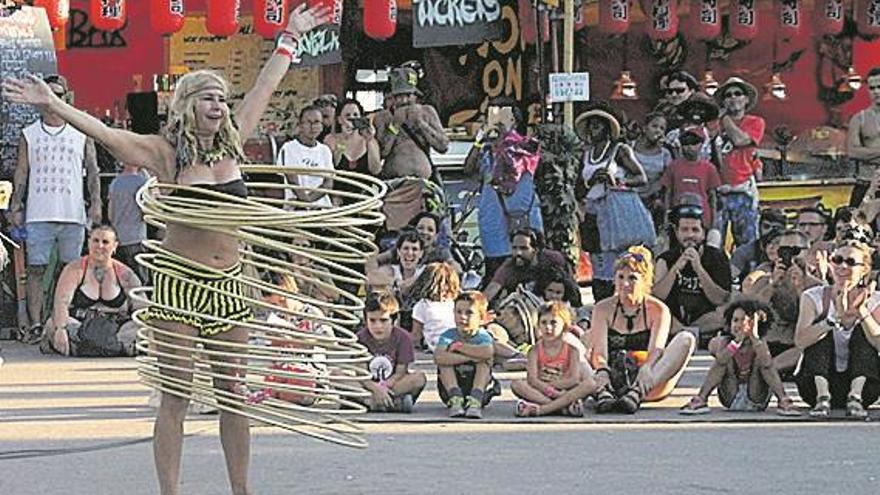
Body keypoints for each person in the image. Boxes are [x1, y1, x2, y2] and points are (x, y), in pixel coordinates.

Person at [2, 5, 331, 494]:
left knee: (234, 397)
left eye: (222, 98)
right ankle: (170, 491)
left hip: (231, 285)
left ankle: (242, 489)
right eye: (208, 99)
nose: (219, 106)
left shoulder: (234, 143)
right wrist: (55, 104)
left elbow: (265, 85)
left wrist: (291, 35)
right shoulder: (165, 153)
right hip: (181, 284)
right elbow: (107, 133)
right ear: (187, 105)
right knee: (176, 397)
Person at [6, 74, 101, 344]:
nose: (53, 99)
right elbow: (21, 172)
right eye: (49, 93)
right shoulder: (29, 134)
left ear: (66, 97)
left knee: (69, 269)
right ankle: (36, 324)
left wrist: (96, 203)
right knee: (35, 269)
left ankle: (60, 321)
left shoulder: (81, 131)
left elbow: (93, 171)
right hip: (39, 212)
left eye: (59, 94)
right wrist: (16, 206)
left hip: (72, 212)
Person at [590, 246, 696, 413]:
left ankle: (635, 395)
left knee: (686, 339)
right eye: (620, 277)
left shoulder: (658, 310)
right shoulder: (602, 308)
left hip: (649, 380)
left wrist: (647, 368)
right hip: (612, 378)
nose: (625, 284)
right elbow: (599, 352)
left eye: (632, 278)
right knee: (577, 339)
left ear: (645, 281)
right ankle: (603, 394)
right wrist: (602, 370)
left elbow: (657, 349)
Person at [794, 237, 880, 418]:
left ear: (864, 270)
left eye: (850, 262)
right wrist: (834, 319)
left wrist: (861, 312)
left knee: (860, 333)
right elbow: (800, 341)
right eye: (837, 260)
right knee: (822, 331)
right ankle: (822, 397)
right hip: (814, 384)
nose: (842, 267)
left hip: (866, 387)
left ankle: (855, 397)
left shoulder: (875, 300)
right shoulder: (813, 296)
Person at [463, 97, 542, 281]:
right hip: (492, 217)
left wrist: (505, 137)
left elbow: (521, 162)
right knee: (496, 270)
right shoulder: (486, 149)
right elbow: (468, 168)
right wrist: (479, 140)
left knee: (523, 270)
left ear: (513, 119)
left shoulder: (524, 145)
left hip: (519, 221)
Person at [679, 299, 800, 415]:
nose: (739, 324)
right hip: (731, 395)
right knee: (724, 359)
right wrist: (736, 343)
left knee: (761, 361)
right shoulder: (726, 342)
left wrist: (754, 337)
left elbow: (767, 363)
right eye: (735, 320)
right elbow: (720, 361)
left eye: (744, 320)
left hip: (756, 395)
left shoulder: (759, 343)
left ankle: (783, 399)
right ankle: (701, 399)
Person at [575, 106, 648, 301]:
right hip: (593, 214)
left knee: (619, 263)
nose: (592, 130)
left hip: (616, 213)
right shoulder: (586, 154)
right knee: (598, 266)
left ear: (607, 129)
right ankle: (601, 305)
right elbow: (578, 189)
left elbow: (641, 178)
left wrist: (617, 182)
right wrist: (592, 181)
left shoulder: (620, 151)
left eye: (597, 126)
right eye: (590, 127)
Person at [41, 225, 142, 356]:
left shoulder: (125, 274)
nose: (99, 246)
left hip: (117, 328)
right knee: (52, 324)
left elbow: (141, 307)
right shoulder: (74, 269)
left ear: (115, 246)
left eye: (105, 242)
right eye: (95, 241)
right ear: (88, 243)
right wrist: (60, 329)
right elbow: (61, 303)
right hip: (80, 326)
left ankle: (115, 347)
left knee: (143, 329)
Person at [741, 229, 823, 375]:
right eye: (784, 251)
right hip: (768, 343)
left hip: (796, 346)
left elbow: (816, 325)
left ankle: (769, 370)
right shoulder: (764, 281)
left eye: (795, 251)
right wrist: (772, 286)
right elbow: (749, 313)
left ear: (807, 252)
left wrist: (800, 290)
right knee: (719, 344)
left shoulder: (817, 286)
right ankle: (767, 369)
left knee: (813, 349)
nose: (790, 257)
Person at [654, 204, 732, 337]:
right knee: (655, 311)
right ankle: (686, 333)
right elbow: (657, 296)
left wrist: (699, 269)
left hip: (706, 320)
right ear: (677, 232)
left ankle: (687, 333)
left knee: (725, 313)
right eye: (684, 230)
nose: (690, 235)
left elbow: (720, 299)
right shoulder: (665, 259)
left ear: (703, 234)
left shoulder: (717, 257)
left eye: (695, 230)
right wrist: (675, 268)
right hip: (674, 319)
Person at [511, 301, 598, 417]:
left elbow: (574, 379)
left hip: (565, 390)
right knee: (517, 384)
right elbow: (532, 380)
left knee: (590, 384)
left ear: (565, 326)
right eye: (543, 323)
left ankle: (542, 410)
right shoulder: (535, 351)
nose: (548, 327)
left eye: (553, 323)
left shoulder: (572, 350)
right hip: (543, 391)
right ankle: (563, 407)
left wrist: (555, 388)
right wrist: (552, 392)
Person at [713, 77, 766, 250]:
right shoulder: (713, 125)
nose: (733, 97)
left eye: (738, 93)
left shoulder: (755, 122)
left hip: (743, 192)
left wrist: (724, 118)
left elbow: (740, 139)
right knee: (714, 244)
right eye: (728, 95)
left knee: (748, 245)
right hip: (717, 192)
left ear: (747, 99)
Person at [373, 66, 448, 180]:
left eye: (408, 95)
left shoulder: (427, 111)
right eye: (399, 96)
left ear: (415, 95)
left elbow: (443, 147)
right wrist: (395, 126)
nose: (404, 101)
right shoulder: (382, 117)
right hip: (395, 180)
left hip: (424, 181)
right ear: (393, 97)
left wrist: (422, 124)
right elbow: (382, 153)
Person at [357, 291, 427, 413]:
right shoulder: (361, 337)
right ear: (365, 320)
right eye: (372, 320)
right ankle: (381, 402)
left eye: (383, 320)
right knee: (336, 375)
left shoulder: (403, 338)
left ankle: (371, 403)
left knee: (419, 378)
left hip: (393, 385)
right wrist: (375, 389)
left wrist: (383, 388)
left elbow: (400, 372)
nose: (378, 326)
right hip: (367, 386)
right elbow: (361, 375)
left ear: (394, 320)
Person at [434, 290, 500, 418]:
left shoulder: (482, 336)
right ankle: (456, 400)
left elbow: (487, 352)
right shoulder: (448, 335)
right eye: (458, 312)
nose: (462, 317)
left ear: (481, 318)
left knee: (484, 363)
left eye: (469, 313)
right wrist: (471, 357)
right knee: (444, 363)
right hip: (450, 389)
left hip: (478, 389)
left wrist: (459, 347)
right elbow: (439, 357)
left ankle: (475, 401)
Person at [482, 228, 577, 306]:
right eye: (514, 248)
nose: (518, 253)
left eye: (524, 248)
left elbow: (571, 289)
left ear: (536, 249)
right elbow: (492, 288)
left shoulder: (554, 259)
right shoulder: (510, 265)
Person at [659, 126, 721, 232]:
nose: (690, 147)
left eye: (694, 143)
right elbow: (667, 194)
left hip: (702, 219)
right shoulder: (674, 166)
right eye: (686, 144)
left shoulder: (709, 168)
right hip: (677, 217)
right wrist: (666, 218)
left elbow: (713, 197)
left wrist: (713, 222)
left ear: (701, 145)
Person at [276, 105, 335, 208]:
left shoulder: (325, 150)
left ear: (321, 126)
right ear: (300, 125)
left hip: (321, 209)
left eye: (316, 122)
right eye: (308, 122)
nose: (312, 127)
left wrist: (310, 201)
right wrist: (305, 202)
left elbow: (328, 183)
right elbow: (292, 180)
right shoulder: (289, 148)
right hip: (296, 209)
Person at [323, 98, 382, 200]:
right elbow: (332, 167)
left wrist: (369, 140)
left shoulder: (370, 141)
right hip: (338, 197)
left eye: (355, 115)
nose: (351, 119)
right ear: (339, 119)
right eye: (347, 116)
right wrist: (342, 141)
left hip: (364, 196)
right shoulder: (331, 139)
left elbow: (376, 170)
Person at [632, 112, 672, 233]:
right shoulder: (629, 148)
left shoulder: (665, 154)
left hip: (653, 204)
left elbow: (668, 185)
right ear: (644, 128)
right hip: (631, 202)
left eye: (662, 128)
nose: (658, 131)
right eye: (654, 126)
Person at [108, 163, 148, 282]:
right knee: (140, 281)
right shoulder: (142, 183)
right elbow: (146, 212)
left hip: (118, 239)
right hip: (136, 237)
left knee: (122, 280)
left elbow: (110, 214)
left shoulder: (115, 183)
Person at [846, 67, 880, 206]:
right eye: (872, 88)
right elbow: (853, 151)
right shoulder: (859, 119)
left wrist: (867, 154)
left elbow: (860, 152)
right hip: (865, 183)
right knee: (857, 226)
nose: (877, 92)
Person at [411, 262, 459, 352]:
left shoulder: (454, 303)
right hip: (438, 346)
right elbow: (416, 334)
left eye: (448, 284)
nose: (445, 288)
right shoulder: (423, 306)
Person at [730, 208, 788, 282]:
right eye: (766, 227)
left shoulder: (791, 251)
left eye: (776, 228)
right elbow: (728, 279)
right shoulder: (744, 252)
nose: (771, 231)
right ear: (759, 227)